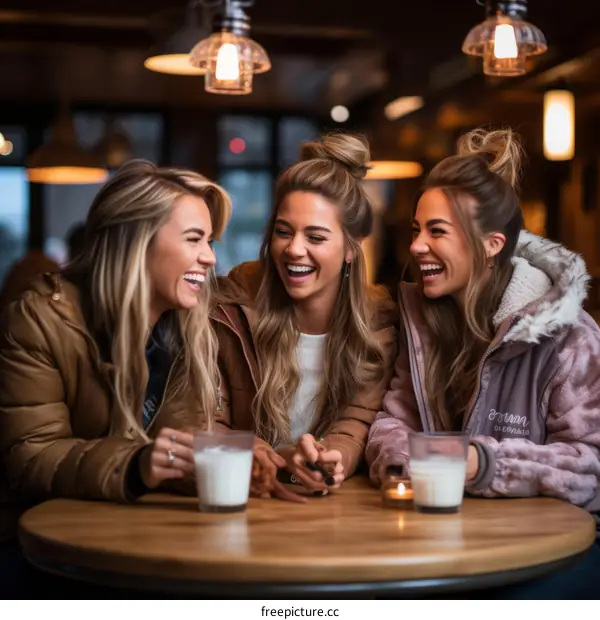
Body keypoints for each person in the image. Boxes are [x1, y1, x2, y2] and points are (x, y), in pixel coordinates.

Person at [365, 128, 600, 598]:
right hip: (448, 543)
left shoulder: (569, 334)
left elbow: (589, 469)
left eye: (437, 232)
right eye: (416, 230)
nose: (415, 247)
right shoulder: (424, 325)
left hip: (554, 557)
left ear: (491, 244)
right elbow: (393, 422)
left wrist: (480, 462)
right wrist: (402, 462)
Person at [0, 159, 231, 555]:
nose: (209, 258)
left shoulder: (187, 329)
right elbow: (31, 459)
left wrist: (248, 462)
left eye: (209, 242)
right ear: (136, 242)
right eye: (194, 240)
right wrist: (136, 462)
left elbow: (183, 442)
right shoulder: (37, 321)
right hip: (43, 551)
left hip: (144, 539)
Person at [213, 133, 397, 499]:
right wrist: (274, 458)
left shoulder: (378, 322)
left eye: (315, 237)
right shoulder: (232, 307)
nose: (294, 249)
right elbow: (207, 422)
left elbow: (355, 423)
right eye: (283, 232)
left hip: (333, 516)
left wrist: (330, 460)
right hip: (242, 499)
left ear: (350, 248)